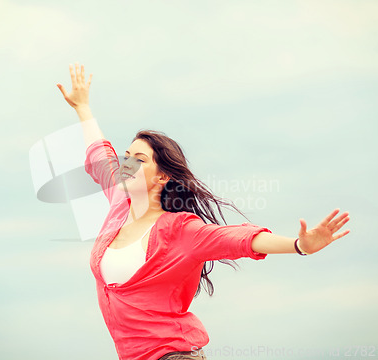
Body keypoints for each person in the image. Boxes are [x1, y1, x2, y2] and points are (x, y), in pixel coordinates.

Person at [56, 63, 351, 360]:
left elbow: (238, 238)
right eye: (127, 157)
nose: (128, 165)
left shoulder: (180, 230)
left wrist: (299, 245)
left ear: (162, 177)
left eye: (140, 160)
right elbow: (99, 154)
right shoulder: (119, 205)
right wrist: (82, 108)